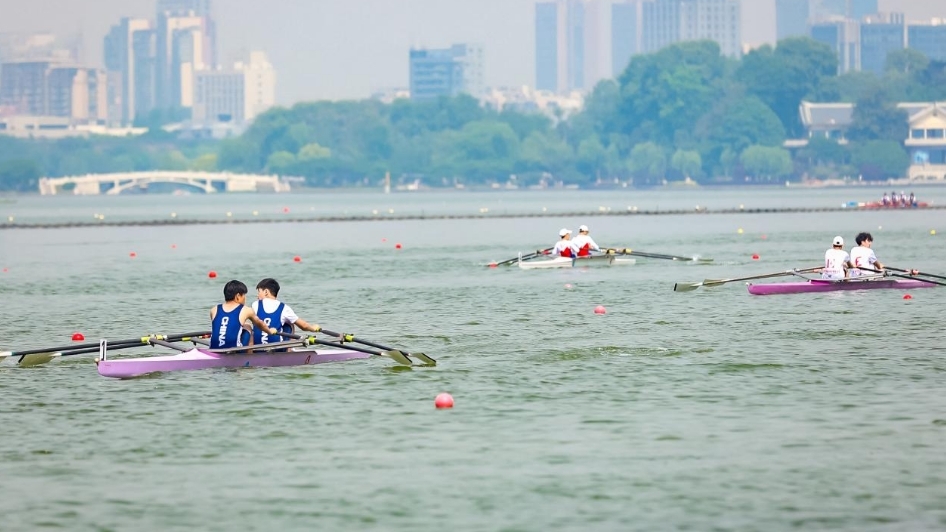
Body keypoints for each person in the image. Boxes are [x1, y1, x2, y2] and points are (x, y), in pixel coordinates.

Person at [251, 278, 322, 347]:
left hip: (255, 348)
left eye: (259, 292)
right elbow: (304, 326)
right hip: (276, 349)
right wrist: (313, 328)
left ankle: (249, 351)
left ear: (266, 292)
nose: (257, 295)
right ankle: (289, 350)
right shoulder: (284, 308)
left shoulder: (255, 304)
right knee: (290, 324)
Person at [210, 280, 278, 349]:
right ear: (238, 296)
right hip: (233, 351)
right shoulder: (246, 310)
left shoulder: (214, 310)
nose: (245, 298)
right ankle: (250, 354)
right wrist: (270, 331)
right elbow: (261, 324)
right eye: (244, 295)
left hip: (213, 350)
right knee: (248, 326)